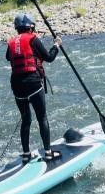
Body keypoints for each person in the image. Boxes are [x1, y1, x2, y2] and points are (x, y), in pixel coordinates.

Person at [6, 13, 63, 164]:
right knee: (42, 117)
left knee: (26, 120)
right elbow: (49, 58)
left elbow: (8, 57)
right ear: (31, 27)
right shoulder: (33, 39)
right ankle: (49, 153)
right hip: (33, 83)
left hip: (17, 85)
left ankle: (26, 154)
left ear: (17, 28)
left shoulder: (11, 42)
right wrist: (56, 45)